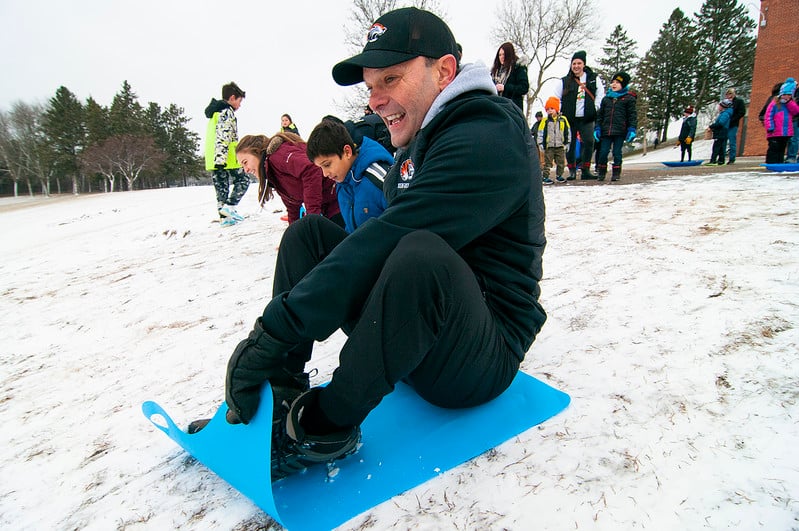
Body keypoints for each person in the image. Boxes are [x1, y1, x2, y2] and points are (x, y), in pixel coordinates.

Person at [189, 7, 546, 481]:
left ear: (444, 70)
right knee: (308, 234)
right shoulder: (418, 141)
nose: (376, 99)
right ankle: (281, 392)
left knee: (420, 253)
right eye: (371, 85)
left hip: (479, 358)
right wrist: (275, 347)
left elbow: (394, 238)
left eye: (391, 79)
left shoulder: (489, 136)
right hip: (414, 335)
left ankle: (322, 425)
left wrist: (275, 327)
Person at [235, 133, 343, 226]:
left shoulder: (278, 156)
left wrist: (312, 216)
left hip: (339, 201)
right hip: (328, 209)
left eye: (245, 162)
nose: (246, 170)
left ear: (256, 152)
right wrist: (293, 236)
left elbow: (310, 169)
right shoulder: (271, 172)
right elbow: (292, 208)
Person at [306, 118, 392, 233]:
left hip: (389, 247)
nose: (325, 174)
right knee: (305, 228)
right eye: (320, 168)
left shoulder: (378, 178)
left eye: (327, 165)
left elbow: (408, 220)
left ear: (347, 152)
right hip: (360, 246)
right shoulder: (343, 183)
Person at [553, 51, 604, 180]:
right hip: (569, 118)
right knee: (570, 143)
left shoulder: (593, 79)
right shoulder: (565, 81)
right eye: (574, 63)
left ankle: (585, 169)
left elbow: (600, 94)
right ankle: (572, 170)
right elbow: (556, 97)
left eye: (579, 63)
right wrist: (558, 111)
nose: (576, 66)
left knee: (589, 141)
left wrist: (595, 108)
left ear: (584, 64)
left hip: (587, 117)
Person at [204, 82, 249, 227]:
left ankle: (224, 218)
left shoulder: (214, 112)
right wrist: (221, 159)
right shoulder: (226, 112)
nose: (240, 105)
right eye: (239, 101)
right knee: (243, 180)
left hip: (213, 157)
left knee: (221, 188)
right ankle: (229, 207)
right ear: (232, 98)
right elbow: (223, 136)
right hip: (226, 157)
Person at [593, 71, 637, 182]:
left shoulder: (628, 99)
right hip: (606, 131)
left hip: (620, 131)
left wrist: (632, 129)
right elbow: (600, 116)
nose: (614, 84)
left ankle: (616, 173)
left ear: (623, 85)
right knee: (603, 152)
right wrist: (597, 128)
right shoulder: (606, 99)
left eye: (617, 82)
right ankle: (601, 172)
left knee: (617, 152)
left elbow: (632, 116)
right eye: (613, 82)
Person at [763, 77, 799, 164]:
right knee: (774, 148)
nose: (788, 97)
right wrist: (770, 127)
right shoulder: (775, 103)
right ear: (782, 94)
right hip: (774, 132)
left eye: (790, 95)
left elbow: (796, 111)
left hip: (785, 133)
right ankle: (771, 162)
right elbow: (768, 116)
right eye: (786, 95)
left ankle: (779, 162)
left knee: (781, 149)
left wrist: (789, 102)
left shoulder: (790, 104)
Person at [537, 97, 570, 184]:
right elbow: (540, 132)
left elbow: (567, 131)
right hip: (549, 146)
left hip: (560, 145)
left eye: (552, 108)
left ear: (556, 109)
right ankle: (545, 176)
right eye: (548, 109)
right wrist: (540, 143)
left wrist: (567, 143)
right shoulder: (545, 121)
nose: (550, 111)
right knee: (547, 162)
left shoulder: (563, 119)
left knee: (561, 162)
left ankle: (559, 175)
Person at [490, 42, 529, 113]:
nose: (501, 57)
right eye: (500, 55)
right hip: (497, 108)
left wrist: (505, 88)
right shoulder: (494, 72)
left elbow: (524, 87)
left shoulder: (518, 67)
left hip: (513, 109)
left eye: (504, 54)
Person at [706, 98, 734, 166]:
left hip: (721, 132)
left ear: (723, 107)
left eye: (720, 106)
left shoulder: (725, 114)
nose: (718, 107)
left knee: (716, 147)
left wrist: (712, 126)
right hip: (723, 132)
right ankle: (721, 161)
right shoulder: (725, 113)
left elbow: (721, 123)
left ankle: (713, 160)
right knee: (722, 147)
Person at [724, 88, 745, 164]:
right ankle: (721, 158)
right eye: (728, 94)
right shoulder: (725, 103)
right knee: (723, 141)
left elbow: (742, 112)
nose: (729, 96)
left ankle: (732, 158)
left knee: (732, 141)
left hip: (733, 124)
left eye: (730, 94)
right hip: (725, 124)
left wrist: (734, 119)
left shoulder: (739, 101)